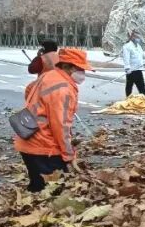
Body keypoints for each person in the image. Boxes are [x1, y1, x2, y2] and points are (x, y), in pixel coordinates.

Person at [14, 47, 93, 191]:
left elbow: (29, 89)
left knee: (38, 187)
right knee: (53, 191)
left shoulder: (49, 75)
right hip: (44, 146)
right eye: (80, 69)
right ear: (67, 66)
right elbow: (61, 126)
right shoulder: (64, 89)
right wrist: (69, 155)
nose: (83, 73)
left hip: (29, 139)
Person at [121, 31, 145, 97]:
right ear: (132, 37)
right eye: (136, 37)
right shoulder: (127, 46)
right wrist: (127, 68)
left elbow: (142, 54)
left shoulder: (138, 46)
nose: (138, 39)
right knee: (129, 86)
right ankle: (128, 98)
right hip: (131, 70)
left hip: (139, 69)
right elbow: (126, 58)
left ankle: (144, 97)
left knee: (141, 86)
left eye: (139, 37)